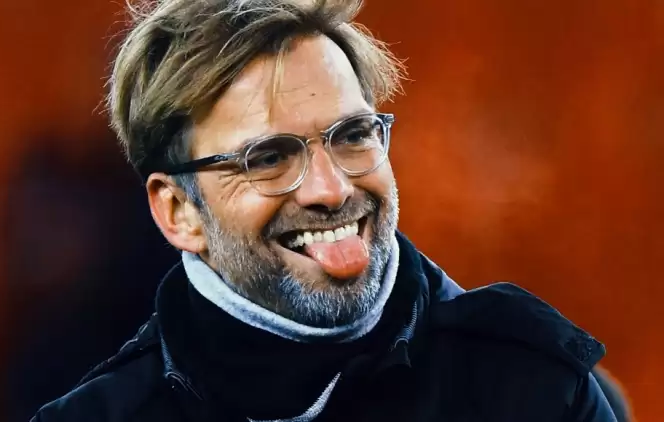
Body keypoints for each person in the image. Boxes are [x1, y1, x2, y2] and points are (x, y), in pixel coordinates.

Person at [31, 0, 621, 420]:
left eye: (353, 135)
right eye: (268, 157)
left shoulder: (535, 387)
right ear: (178, 210)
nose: (331, 189)